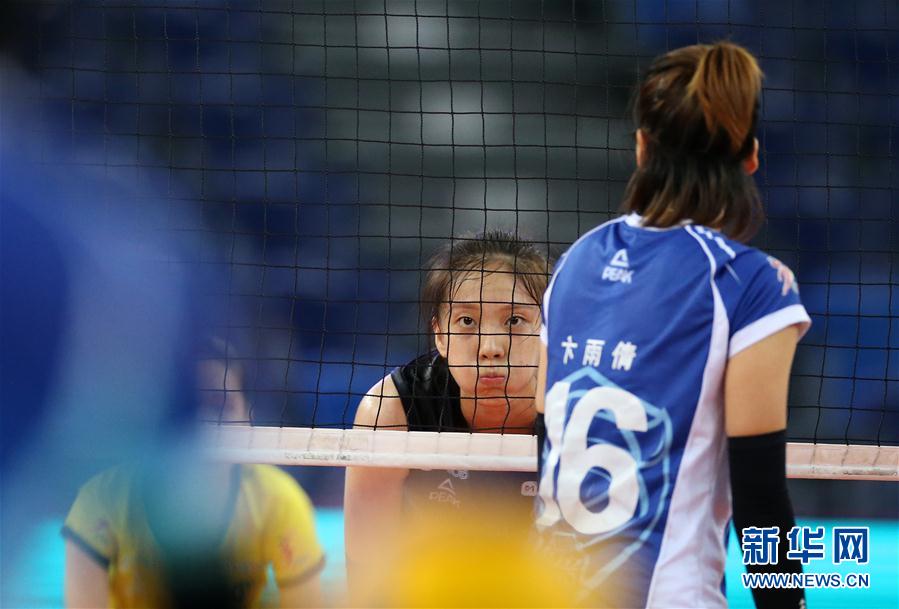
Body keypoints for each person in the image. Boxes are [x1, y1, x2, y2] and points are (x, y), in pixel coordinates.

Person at [536, 42, 810, 609]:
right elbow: (759, 498)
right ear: (751, 156)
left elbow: (546, 439)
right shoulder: (751, 283)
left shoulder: (573, 263)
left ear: (642, 148)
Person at [344, 231, 551, 601]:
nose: (490, 348)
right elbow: (367, 576)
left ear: (549, 329)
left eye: (515, 320)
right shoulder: (392, 410)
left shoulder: (579, 409)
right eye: (467, 321)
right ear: (439, 335)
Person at [62, 338, 325, 608]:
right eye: (186, 408)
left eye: (220, 405)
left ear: (248, 417)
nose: (203, 425)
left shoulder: (279, 500)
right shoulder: (99, 501)